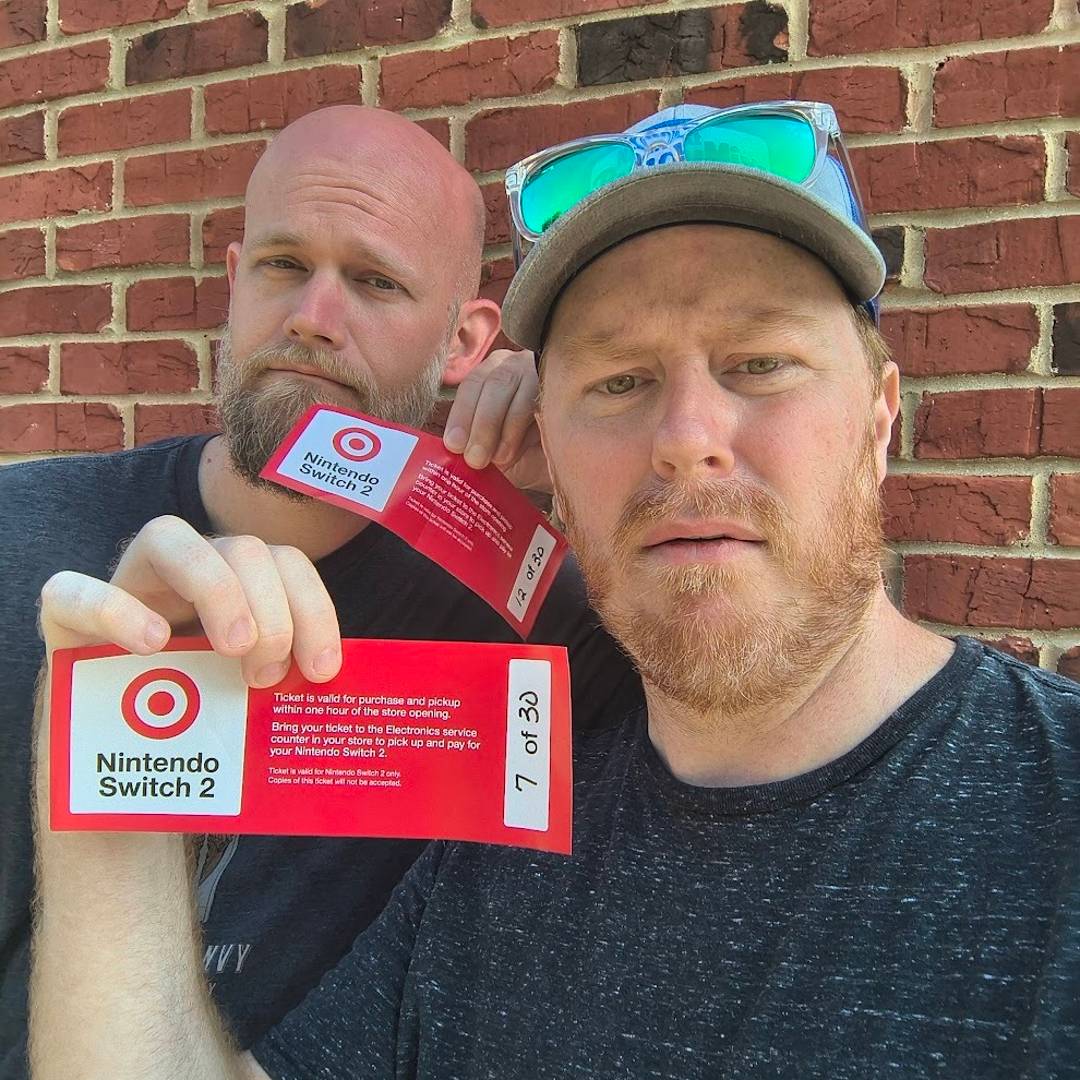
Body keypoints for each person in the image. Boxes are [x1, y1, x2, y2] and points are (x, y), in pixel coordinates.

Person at [29, 102, 1080, 1078]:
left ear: (882, 419)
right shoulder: (505, 834)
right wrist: (112, 747)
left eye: (760, 362)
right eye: (618, 382)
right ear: (551, 457)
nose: (686, 440)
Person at [1, 105, 642, 1079]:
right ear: (233, 283)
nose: (313, 316)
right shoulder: (21, 534)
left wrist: (593, 457)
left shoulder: (532, 617)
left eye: (376, 282)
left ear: (465, 343)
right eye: (283, 264)